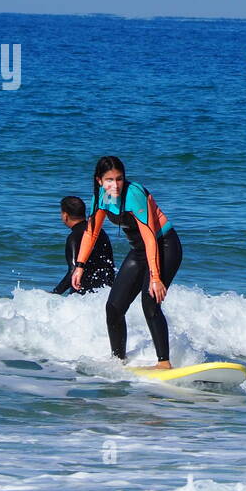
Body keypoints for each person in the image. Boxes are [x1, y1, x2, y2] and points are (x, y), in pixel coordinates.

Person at [71, 156, 183, 369]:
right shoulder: (101, 198)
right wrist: (80, 266)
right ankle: (118, 361)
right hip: (139, 251)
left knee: (149, 301)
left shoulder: (134, 194)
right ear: (99, 181)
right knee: (113, 307)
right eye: (109, 180)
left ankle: (164, 363)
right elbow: (91, 233)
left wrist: (156, 277)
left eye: (119, 179)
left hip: (165, 247)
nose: (115, 184)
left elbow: (150, 236)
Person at [52, 196, 115, 295]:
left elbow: (73, 271)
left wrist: (55, 293)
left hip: (82, 297)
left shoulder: (73, 238)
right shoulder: (99, 232)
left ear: (65, 215)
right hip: (104, 293)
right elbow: (110, 265)